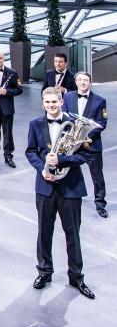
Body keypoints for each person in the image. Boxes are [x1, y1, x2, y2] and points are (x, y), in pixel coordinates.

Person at [26, 87, 93, 299]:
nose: (51, 105)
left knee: (73, 234)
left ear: (61, 101)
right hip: (45, 187)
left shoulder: (75, 125)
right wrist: (42, 168)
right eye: (47, 102)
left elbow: (84, 156)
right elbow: (30, 151)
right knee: (44, 232)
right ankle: (44, 272)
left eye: (54, 101)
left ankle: (76, 276)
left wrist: (61, 160)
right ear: (43, 104)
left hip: (70, 188)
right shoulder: (35, 124)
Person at [62, 72, 109, 218]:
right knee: (67, 171)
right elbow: (64, 115)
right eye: (80, 80)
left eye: (86, 80)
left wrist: (85, 136)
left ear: (90, 82)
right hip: (72, 144)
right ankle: (67, 197)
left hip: (91, 145)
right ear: (76, 82)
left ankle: (100, 203)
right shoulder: (68, 96)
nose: (82, 83)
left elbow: (102, 123)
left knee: (97, 176)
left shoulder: (100, 100)